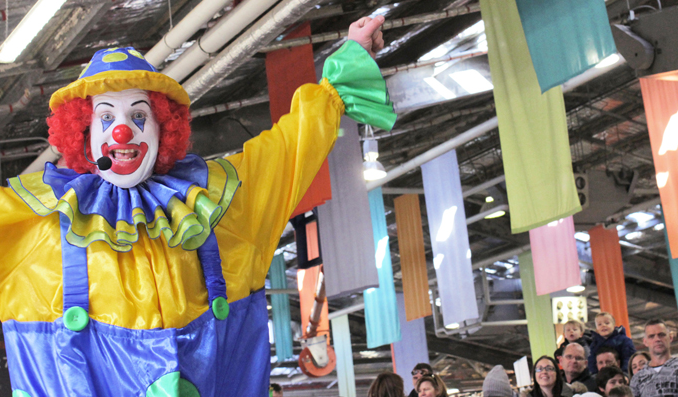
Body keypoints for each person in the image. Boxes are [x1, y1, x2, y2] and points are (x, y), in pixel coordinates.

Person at [0, 16, 395, 397]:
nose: (123, 130)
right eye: (106, 117)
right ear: (84, 134)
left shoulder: (218, 205)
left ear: (163, 127)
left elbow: (290, 148)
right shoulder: (36, 222)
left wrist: (345, 71)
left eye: (139, 115)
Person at [630, 318, 678, 397]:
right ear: (645, 342)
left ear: (670, 337)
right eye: (651, 336)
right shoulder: (637, 378)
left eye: (661, 335)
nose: (657, 339)